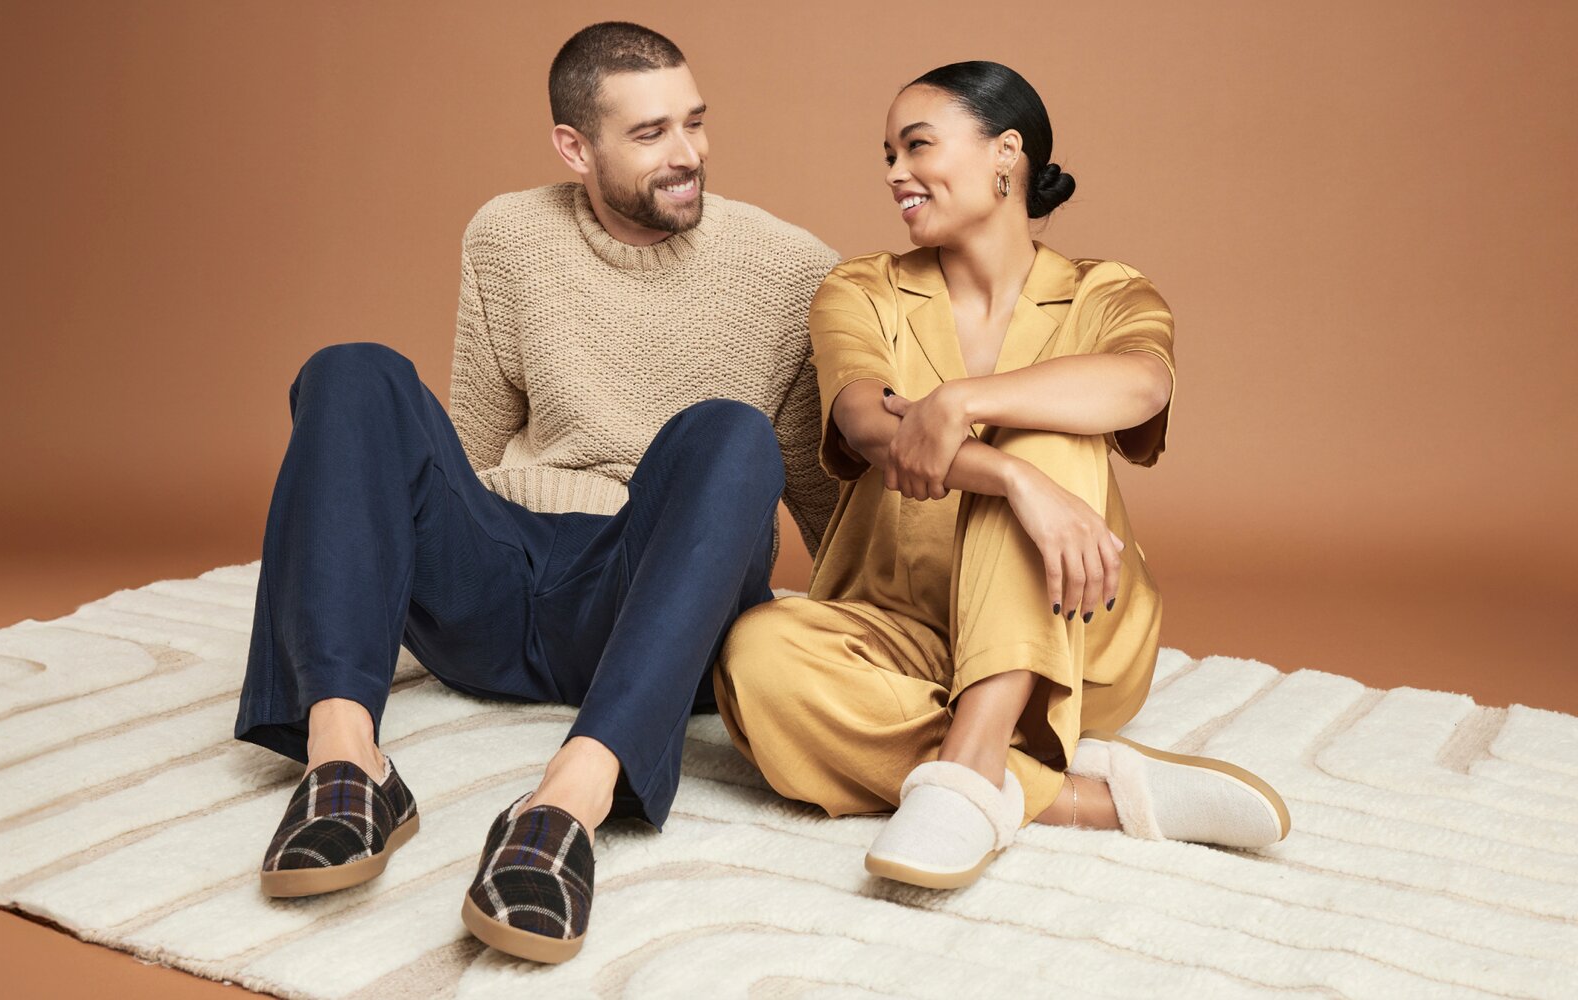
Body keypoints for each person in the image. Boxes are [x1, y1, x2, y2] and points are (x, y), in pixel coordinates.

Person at [233, 22, 841, 962]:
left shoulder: (791, 267)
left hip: (648, 588)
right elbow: (463, 450)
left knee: (730, 430)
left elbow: (817, 499)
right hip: (501, 575)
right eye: (649, 135)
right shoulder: (509, 233)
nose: (688, 155)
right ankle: (348, 763)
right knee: (350, 370)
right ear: (574, 146)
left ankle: (564, 805)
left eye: (695, 123)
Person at [713, 60, 1290, 891]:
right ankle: (1089, 795)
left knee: (1048, 439)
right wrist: (1015, 483)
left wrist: (964, 403)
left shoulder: (1105, 291)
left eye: (916, 147)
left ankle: (975, 756)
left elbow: (1141, 386)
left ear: (1005, 154)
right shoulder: (860, 287)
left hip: (1070, 638)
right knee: (755, 656)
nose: (893, 175)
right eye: (887, 155)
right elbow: (867, 423)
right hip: (898, 633)